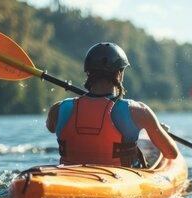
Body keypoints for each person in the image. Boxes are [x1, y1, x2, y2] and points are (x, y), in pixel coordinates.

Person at [46, 42, 178, 168]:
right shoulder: (138, 111)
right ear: (119, 74)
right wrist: (160, 132)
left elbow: (51, 128)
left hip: (71, 176)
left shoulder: (58, 108)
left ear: (88, 73)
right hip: (118, 182)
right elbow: (171, 154)